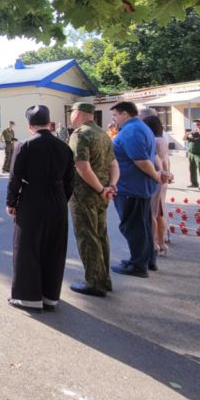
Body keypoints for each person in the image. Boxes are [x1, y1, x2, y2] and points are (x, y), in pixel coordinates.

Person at [5, 105, 75, 311]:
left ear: (30, 126)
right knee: (54, 248)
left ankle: (27, 297)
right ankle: (50, 296)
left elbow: (15, 177)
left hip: (31, 200)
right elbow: (70, 180)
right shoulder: (65, 147)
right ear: (49, 124)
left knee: (27, 247)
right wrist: (62, 198)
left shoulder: (25, 146)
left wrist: (11, 202)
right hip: (57, 200)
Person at [109, 101, 170, 278]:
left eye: (115, 116)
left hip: (131, 187)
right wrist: (157, 174)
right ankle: (146, 259)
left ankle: (138, 264)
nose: (115, 120)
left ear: (125, 114)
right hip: (139, 186)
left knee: (133, 226)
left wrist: (157, 175)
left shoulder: (131, 131)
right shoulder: (141, 128)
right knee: (143, 224)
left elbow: (141, 160)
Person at [67, 102, 119, 297]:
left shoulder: (81, 134)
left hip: (86, 195)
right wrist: (110, 187)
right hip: (103, 194)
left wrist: (99, 189)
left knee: (87, 237)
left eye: (72, 113)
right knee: (100, 234)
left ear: (78, 113)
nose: (71, 116)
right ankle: (104, 279)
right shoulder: (103, 134)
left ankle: (95, 283)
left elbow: (82, 167)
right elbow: (114, 165)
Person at [142, 113, 173, 256]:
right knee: (160, 212)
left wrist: (160, 173)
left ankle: (153, 243)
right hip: (163, 178)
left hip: (155, 177)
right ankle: (162, 242)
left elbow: (155, 160)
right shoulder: (163, 139)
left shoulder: (153, 141)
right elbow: (166, 160)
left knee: (151, 213)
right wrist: (167, 173)